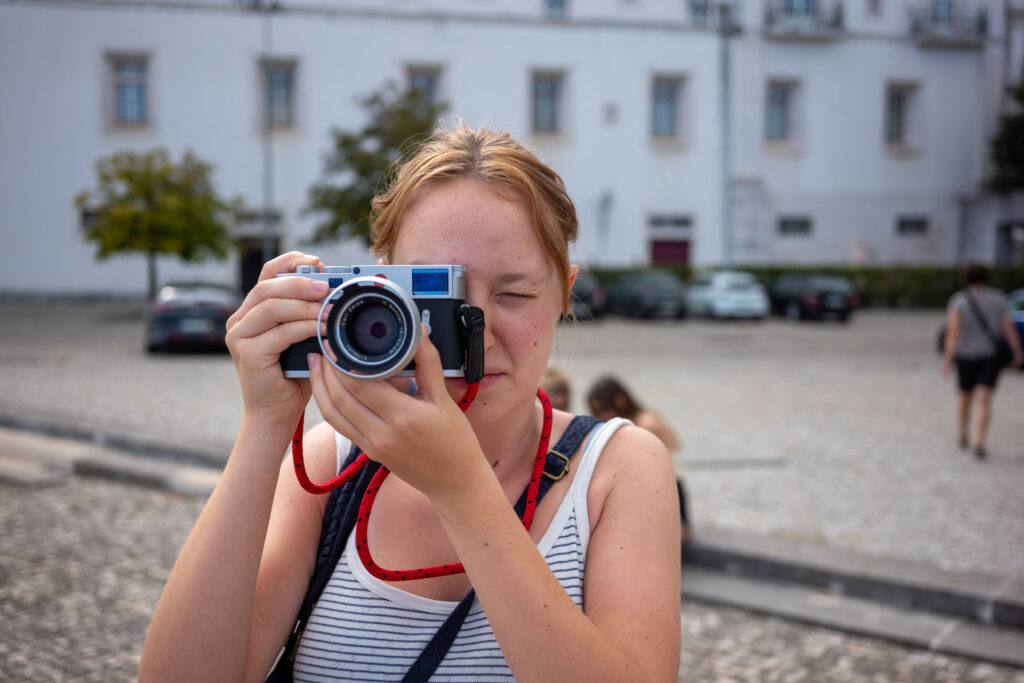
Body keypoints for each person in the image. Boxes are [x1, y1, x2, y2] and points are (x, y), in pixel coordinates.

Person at [140, 124, 681, 681]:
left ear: (564, 294)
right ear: (382, 287)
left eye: (514, 294)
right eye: (437, 294)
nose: (475, 334)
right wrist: (265, 423)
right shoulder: (330, 468)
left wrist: (460, 489)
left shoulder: (616, 470)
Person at [586, 375, 690, 545]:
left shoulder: (645, 425)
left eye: (603, 409)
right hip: (664, 486)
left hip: (667, 489)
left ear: (619, 401)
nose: (600, 417)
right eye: (595, 412)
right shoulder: (641, 420)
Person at [942, 262, 1022, 459]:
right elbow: (1008, 328)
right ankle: (979, 440)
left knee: (965, 396)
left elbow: (953, 331)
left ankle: (965, 433)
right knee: (984, 397)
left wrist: (947, 359)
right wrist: (1017, 352)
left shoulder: (959, 300)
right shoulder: (998, 298)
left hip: (965, 355)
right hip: (990, 355)